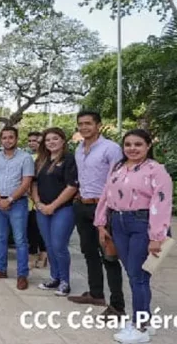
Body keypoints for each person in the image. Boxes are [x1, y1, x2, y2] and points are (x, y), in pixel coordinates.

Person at [96, 130, 173, 343]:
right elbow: (106, 195)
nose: (132, 148)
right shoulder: (118, 167)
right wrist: (101, 223)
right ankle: (143, 320)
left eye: (138, 144)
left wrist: (157, 236)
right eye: (128, 144)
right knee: (132, 273)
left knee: (139, 276)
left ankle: (140, 327)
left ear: (148, 145)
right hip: (118, 223)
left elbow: (162, 203)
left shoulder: (156, 170)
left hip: (142, 223)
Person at [68, 110, 126, 317]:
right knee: (88, 251)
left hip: (104, 208)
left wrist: (109, 208)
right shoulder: (78, 149)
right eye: (80, 124)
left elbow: (118, 180)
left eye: (88, 124)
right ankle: (95, 293)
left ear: (98, 125)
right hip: (82, 205)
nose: (84, 127)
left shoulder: (111, 149)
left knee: (109, 256)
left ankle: (117, 305)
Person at [0, 127, 34, 290]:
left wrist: (11, 199)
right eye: (4, 138)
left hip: (17, 203)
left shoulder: (25, 158)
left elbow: (26, 182)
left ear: (16, 139)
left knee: (20, 240)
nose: (7, 140)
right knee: (0, 238)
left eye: (10, 137)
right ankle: (0, 269)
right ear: (0, 140)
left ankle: (22, 275)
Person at [31, 128, 78, 297]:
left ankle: (65, 281)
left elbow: (72, 186)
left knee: (59, 245)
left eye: (55, 139)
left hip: (63, 209)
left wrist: (53, 206)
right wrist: (37, 202)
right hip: (42, 208)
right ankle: (55, 277)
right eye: (48, 140)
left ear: (63, 140)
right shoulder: (41, 160)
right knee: (49, 245)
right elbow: (34, 184)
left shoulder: (69, 159)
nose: (51, 142)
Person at [25, 131, 48, 269]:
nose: (33, 143)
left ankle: (44, 254)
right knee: (30, 229)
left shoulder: (47, 158)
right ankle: (32, 254)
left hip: (42, 199)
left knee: (41, 229)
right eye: (30, 140)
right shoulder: (27, 157)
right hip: (27, 198)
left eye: (36, 141)